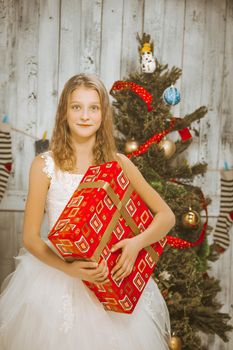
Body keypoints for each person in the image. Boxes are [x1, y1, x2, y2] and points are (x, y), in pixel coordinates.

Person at [0, 73, 175, 350]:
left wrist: (135, 244)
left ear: (103, 113)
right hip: (57, 281)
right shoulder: (44, 166)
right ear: (64, 112)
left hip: (112, 282)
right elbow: (31, 238)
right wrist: (69, 270)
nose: (85, 115)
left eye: (93, 107)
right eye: (76, 107)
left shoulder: (118, 163)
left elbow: (167, 216)